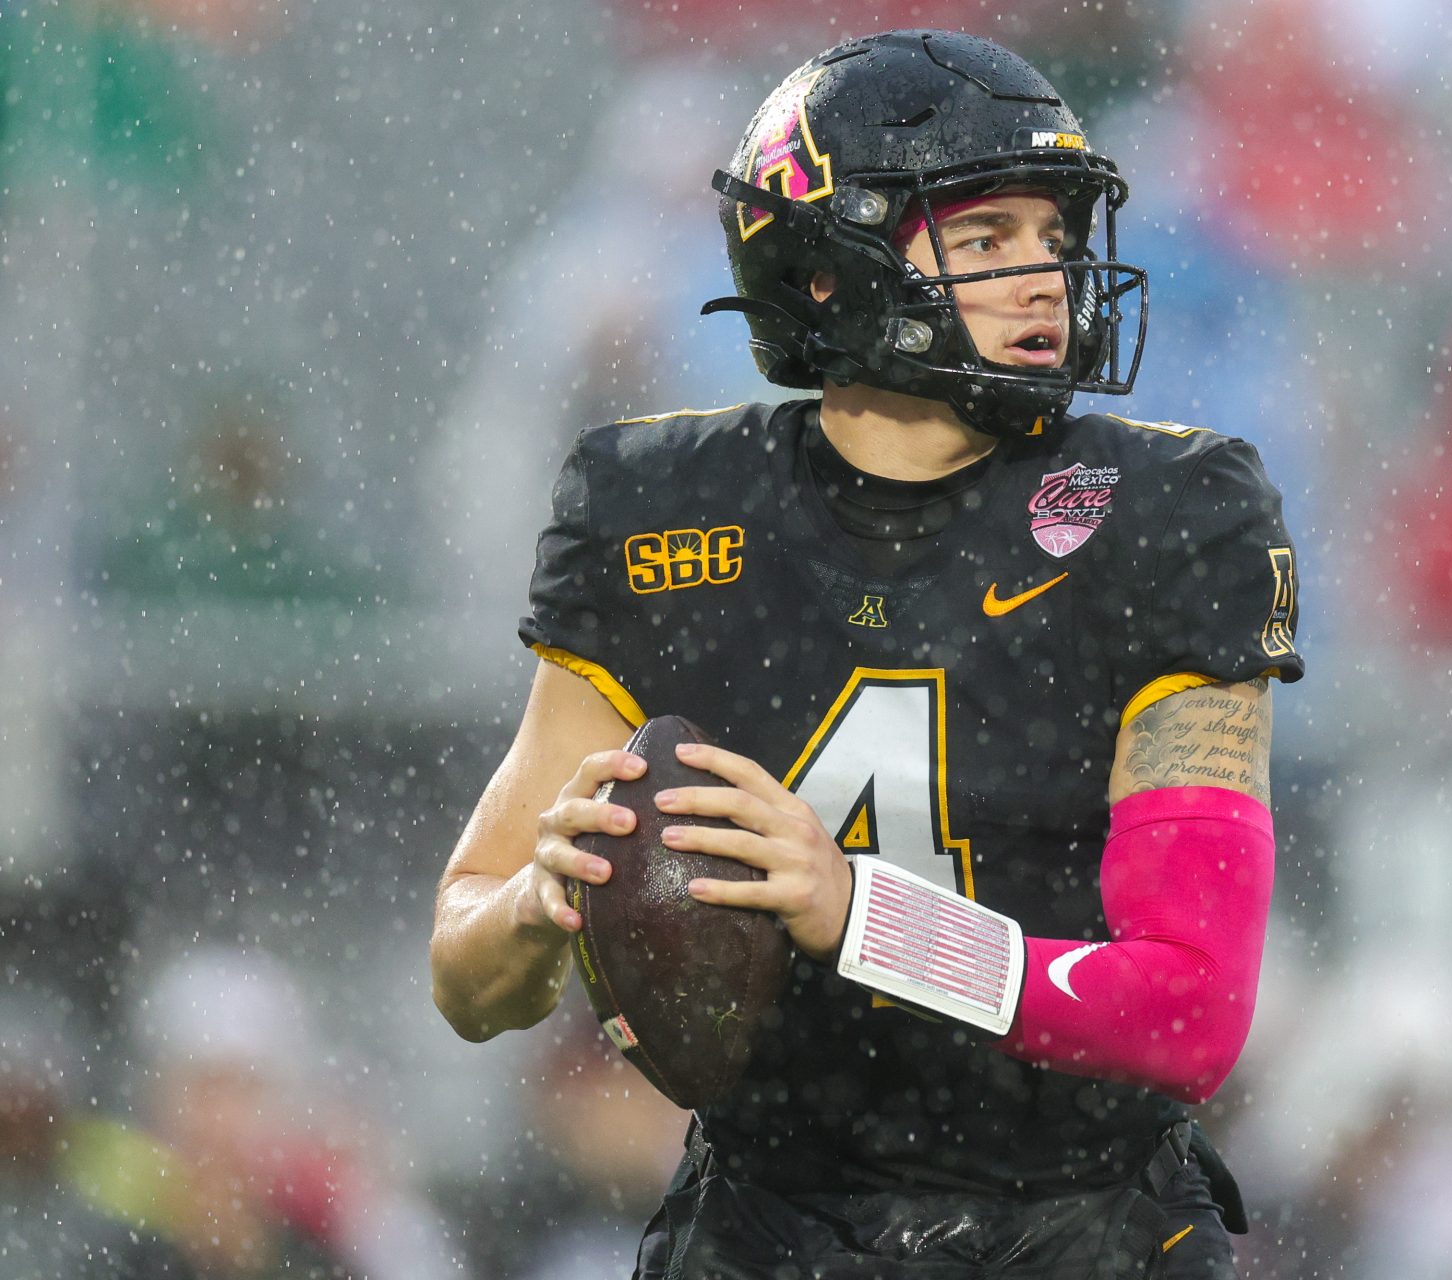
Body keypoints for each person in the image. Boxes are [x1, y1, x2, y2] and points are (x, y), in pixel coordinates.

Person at [430, 28, 1304, 1278]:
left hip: (1086, 1222)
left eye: (1054, 238)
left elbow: (1189, 1011)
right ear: (831, 268)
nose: (1046, 281)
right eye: (988, 239)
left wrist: (857, 913)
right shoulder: (662, 506)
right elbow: (469, 976)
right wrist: (542, 900)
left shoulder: (1164, 513)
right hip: (769, 1216)